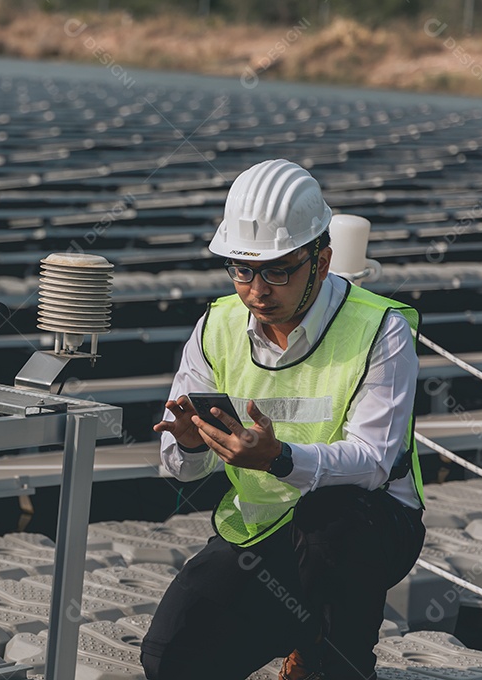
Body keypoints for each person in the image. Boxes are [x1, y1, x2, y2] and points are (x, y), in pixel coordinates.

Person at [140, 159, 426, 680]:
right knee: (171, 658)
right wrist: (192, 445)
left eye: (277, 270)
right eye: (241, 269)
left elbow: (374, 463)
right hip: (264, 531)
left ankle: (338, 661)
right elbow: (178, 471)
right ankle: (300, 628)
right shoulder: (216, 326)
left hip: (367, 527)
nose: (256, 289)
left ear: (322, 260)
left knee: (329, 520)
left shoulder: (380, 330)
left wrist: (279, 459)